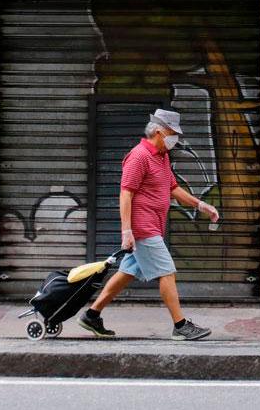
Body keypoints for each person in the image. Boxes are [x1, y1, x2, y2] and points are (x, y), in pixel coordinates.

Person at [78, 109, 220, 341]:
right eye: (172, 133)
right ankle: (180, 325)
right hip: (143, 228)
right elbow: (126, 194)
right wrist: (127, 231)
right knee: (167, 272)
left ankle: (92, 315)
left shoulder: (161, 156)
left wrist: (201, 205)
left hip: (153, 225)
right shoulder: (139, 156)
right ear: (158, 131)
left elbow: (172, 189)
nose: (176, 138)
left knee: (127, 272)